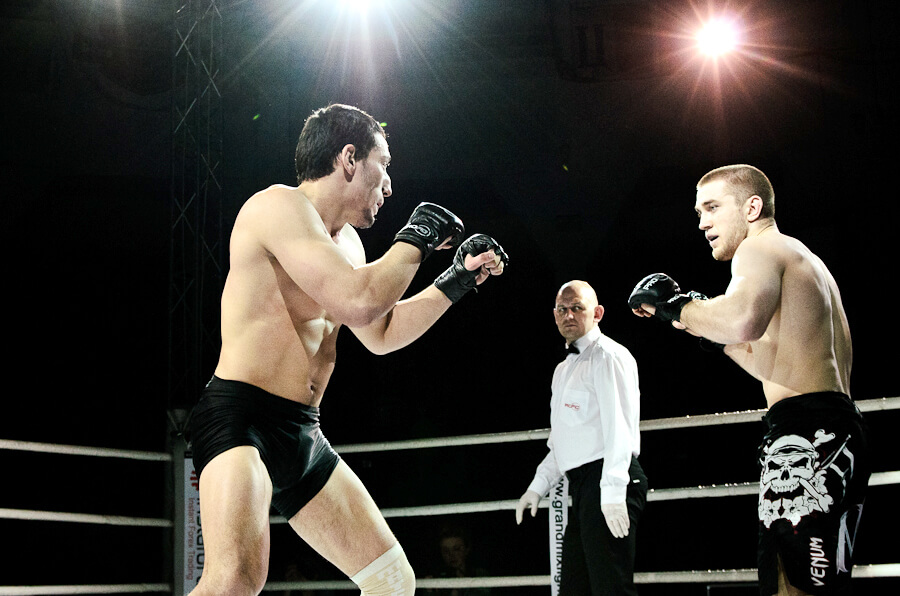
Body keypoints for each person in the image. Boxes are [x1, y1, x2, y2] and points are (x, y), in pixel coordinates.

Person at [188, 103, 509, 596]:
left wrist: (457, 280)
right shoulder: (276, 207)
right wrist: (418, 236)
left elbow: (381, 332)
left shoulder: (351, 247)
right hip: (241, 417)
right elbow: (359, 301)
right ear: (349, 158)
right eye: (384, 166)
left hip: (302, 430)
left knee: (392, 580)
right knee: (234, 580)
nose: (389, 187)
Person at [628, 164, 870, 596]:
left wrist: (678, 306)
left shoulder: (757, 250)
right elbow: (771, 361)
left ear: (752, 207)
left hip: (805, 434)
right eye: (699, 212)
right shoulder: (802, 258)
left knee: (793, 585)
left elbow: (741, 320)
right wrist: (697, 325)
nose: (702, 223)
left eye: (712, 207)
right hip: (832, 427)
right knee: (804, 581)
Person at [516, 280, 648, 596]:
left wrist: (613, 490)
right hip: (584, 488)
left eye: (577, 307)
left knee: (611, 589)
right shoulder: (563, 370)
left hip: (609, 478)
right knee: (575, 589)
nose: (569, 315)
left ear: (597, 313)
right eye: (562, 309)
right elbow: (562, 440)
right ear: (554, 315)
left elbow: (620, 428)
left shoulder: (609, 356)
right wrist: (538, 485)